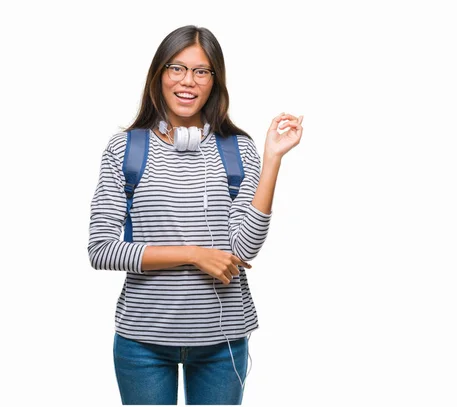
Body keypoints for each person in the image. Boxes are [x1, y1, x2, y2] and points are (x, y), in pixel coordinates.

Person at [88, 25, 303, 405]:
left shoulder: (238, 149)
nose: (188, 81)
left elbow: (244, 248)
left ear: (214, 81)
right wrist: (193, 254)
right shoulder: (126, 148)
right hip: (143, 342)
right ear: (159, 74)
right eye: (177, 68)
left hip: (223, 342)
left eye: (201, 71)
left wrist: (271, 159)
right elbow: (102, 250)